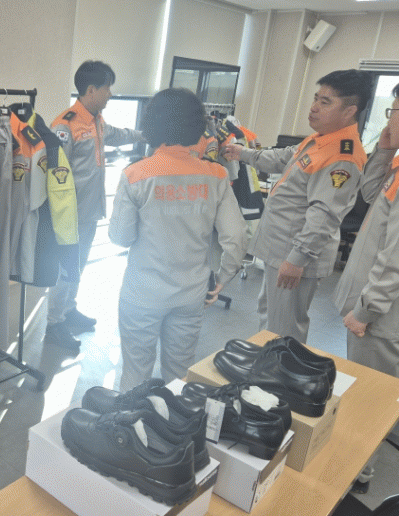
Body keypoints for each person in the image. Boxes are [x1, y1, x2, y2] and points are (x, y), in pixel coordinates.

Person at [109, 88, 247, 391]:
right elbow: (236, 237)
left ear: (152, 124)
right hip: (191, 293)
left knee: (135, 372)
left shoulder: (135, 174)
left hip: (143, 292)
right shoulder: (216, 175)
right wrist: (222, 278)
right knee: (179, 373)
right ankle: (174, 419)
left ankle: (132, 419)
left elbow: (120, 237)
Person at [222, 69, 372, 344]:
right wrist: (243, 153)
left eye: (325, 102)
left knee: (284, 329)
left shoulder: (343, 156)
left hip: (293, 253)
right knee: (271, 318)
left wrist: (296, 260)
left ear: (350, 110)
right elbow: (283, 159)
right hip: (281, 248)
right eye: (315, 98)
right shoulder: (320, 139)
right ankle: (269, 365)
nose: (314, 107)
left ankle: (280, 370)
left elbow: (325, 215)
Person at [45, 60, 144, 349]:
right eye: (107, 88)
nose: (110, 94)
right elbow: (54, 174)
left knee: (78, 265)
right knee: (66, 268)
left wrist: (145, 135)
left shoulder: (96, 121)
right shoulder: (65, 125)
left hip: (89, 212)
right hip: (69, 214)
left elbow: (118, 135)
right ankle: (54, 323)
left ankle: (68, 310)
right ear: (91, 90)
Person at [333, 82, 399, 494]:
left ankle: (356, 473)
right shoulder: (397, 166)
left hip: (380, 317)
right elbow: (369, 192)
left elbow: (395, 258)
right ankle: (357, 462)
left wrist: (365, 311)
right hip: (375, 308)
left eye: (395, 112)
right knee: (371, 391)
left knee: (368, 397)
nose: (390, 120)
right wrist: (385, 151)